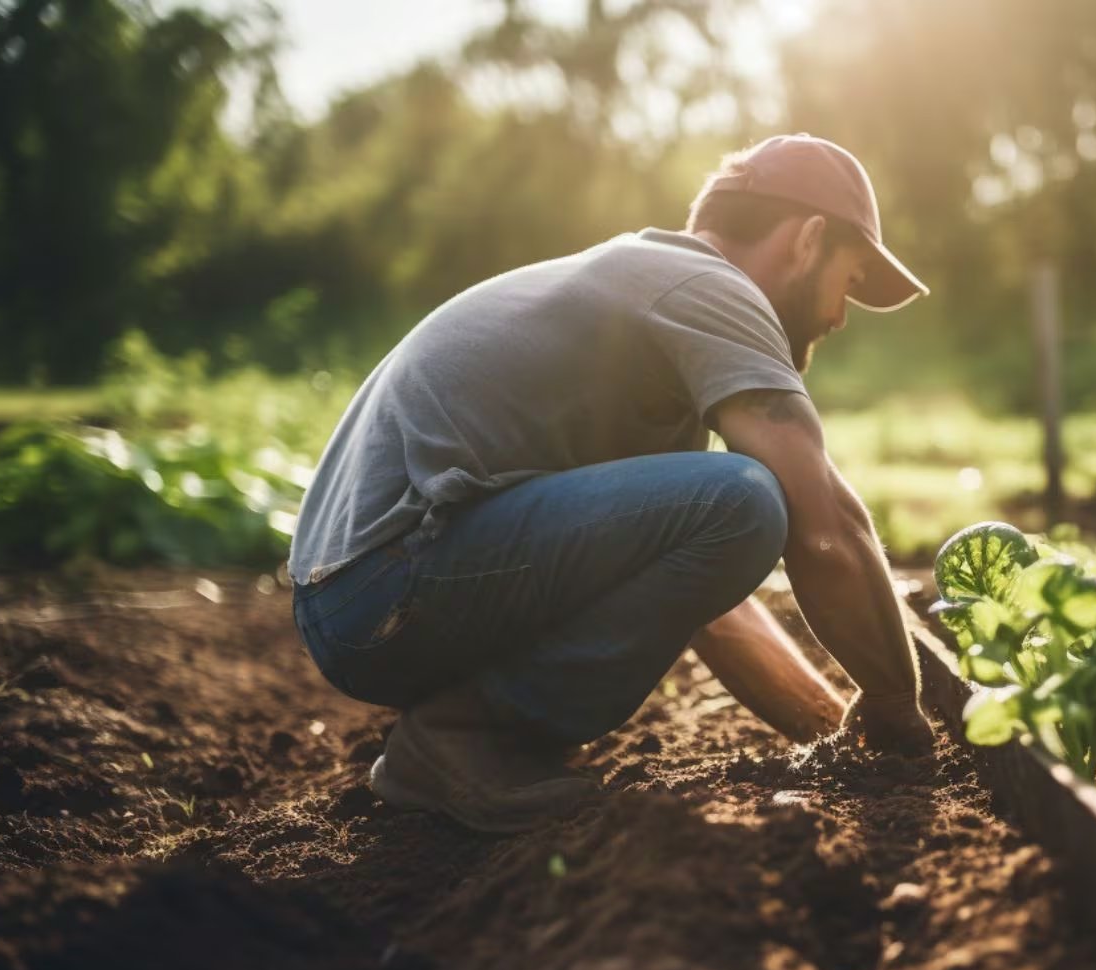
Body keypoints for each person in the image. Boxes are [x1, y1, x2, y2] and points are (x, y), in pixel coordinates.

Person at [287, 134, 937, 832]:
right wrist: (899, 705)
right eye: (851, 281)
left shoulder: (646, 298)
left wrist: (836, 730)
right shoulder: (709, 285)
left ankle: (463, 736)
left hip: (357, 596)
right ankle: (463, 741)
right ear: (808, 241)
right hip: (390, 577)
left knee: (734, 503)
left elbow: (713, 610)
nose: (840, 316)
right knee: (749, 495)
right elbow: (826, 527)